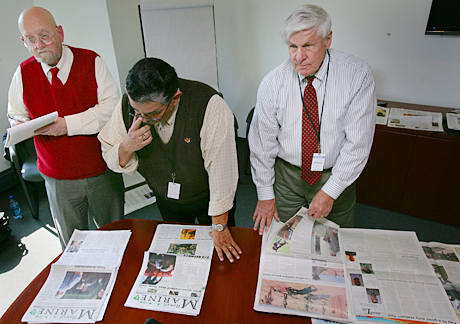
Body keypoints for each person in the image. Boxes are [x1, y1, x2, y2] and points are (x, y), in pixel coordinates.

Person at [98, 58, 241, 263]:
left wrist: (219, 226)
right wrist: (127, 146)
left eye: (152, 113)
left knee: (221, 255)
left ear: (175, 98)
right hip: (166, 199)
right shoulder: (128, 106)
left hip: (209, 200)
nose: (142, 118)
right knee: (181, 255)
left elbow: (222, 172)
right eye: (136, 111)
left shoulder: (210, 106)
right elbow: (109, 152)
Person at [249, 4, 376, 234]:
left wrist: (331, 191)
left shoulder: (357, 75)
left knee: (334, 239)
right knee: (286, 237)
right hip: (288, 176)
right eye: (292, 46)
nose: (299, 57)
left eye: (308, 45)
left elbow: (358, 143)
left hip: (335, 173)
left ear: (328, 40)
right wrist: (266, 195)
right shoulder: (272, 83)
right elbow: (261, 145)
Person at [7, 7, 124, 249]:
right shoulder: (23, 72)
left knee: (114, 237)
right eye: (31, 40)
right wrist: (19, 125)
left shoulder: (91, 61)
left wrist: (67, 126)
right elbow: (15, 113)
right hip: (57, 179)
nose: (39, 45)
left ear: (59, 32)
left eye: (44, 35)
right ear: (24, 42)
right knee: (72, 246)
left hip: (100, 170)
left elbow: (112, 109)